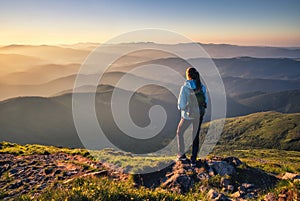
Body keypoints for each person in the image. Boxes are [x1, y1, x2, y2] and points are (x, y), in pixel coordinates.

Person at [176, 67, 207, 167]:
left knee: (180, 132)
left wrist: (184, 108)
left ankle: (182, 155)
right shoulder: (201, 87)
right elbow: (205, 101)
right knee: (195, 136)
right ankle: (193, 160)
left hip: (187, 115)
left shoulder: (185, 88)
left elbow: (181, 105)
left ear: (188, 75)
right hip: (199, 115)